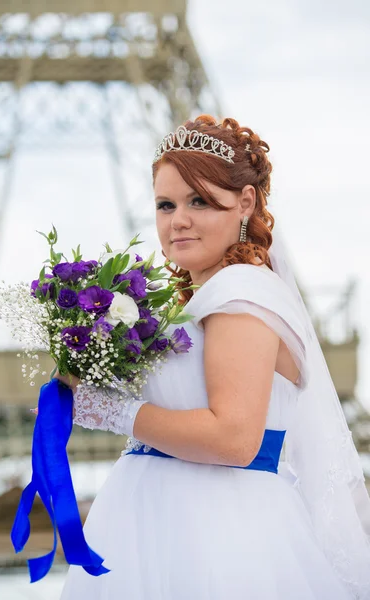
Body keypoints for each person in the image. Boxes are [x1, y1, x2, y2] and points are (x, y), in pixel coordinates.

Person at [58, 115, 370, 599]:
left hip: (216, 532)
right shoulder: (200, 300)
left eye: (198, 200)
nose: (177, 219)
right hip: (157, 525)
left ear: (245, 202)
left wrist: (113, 410)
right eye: (166, 204)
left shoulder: (240, 291)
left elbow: (234, 438)